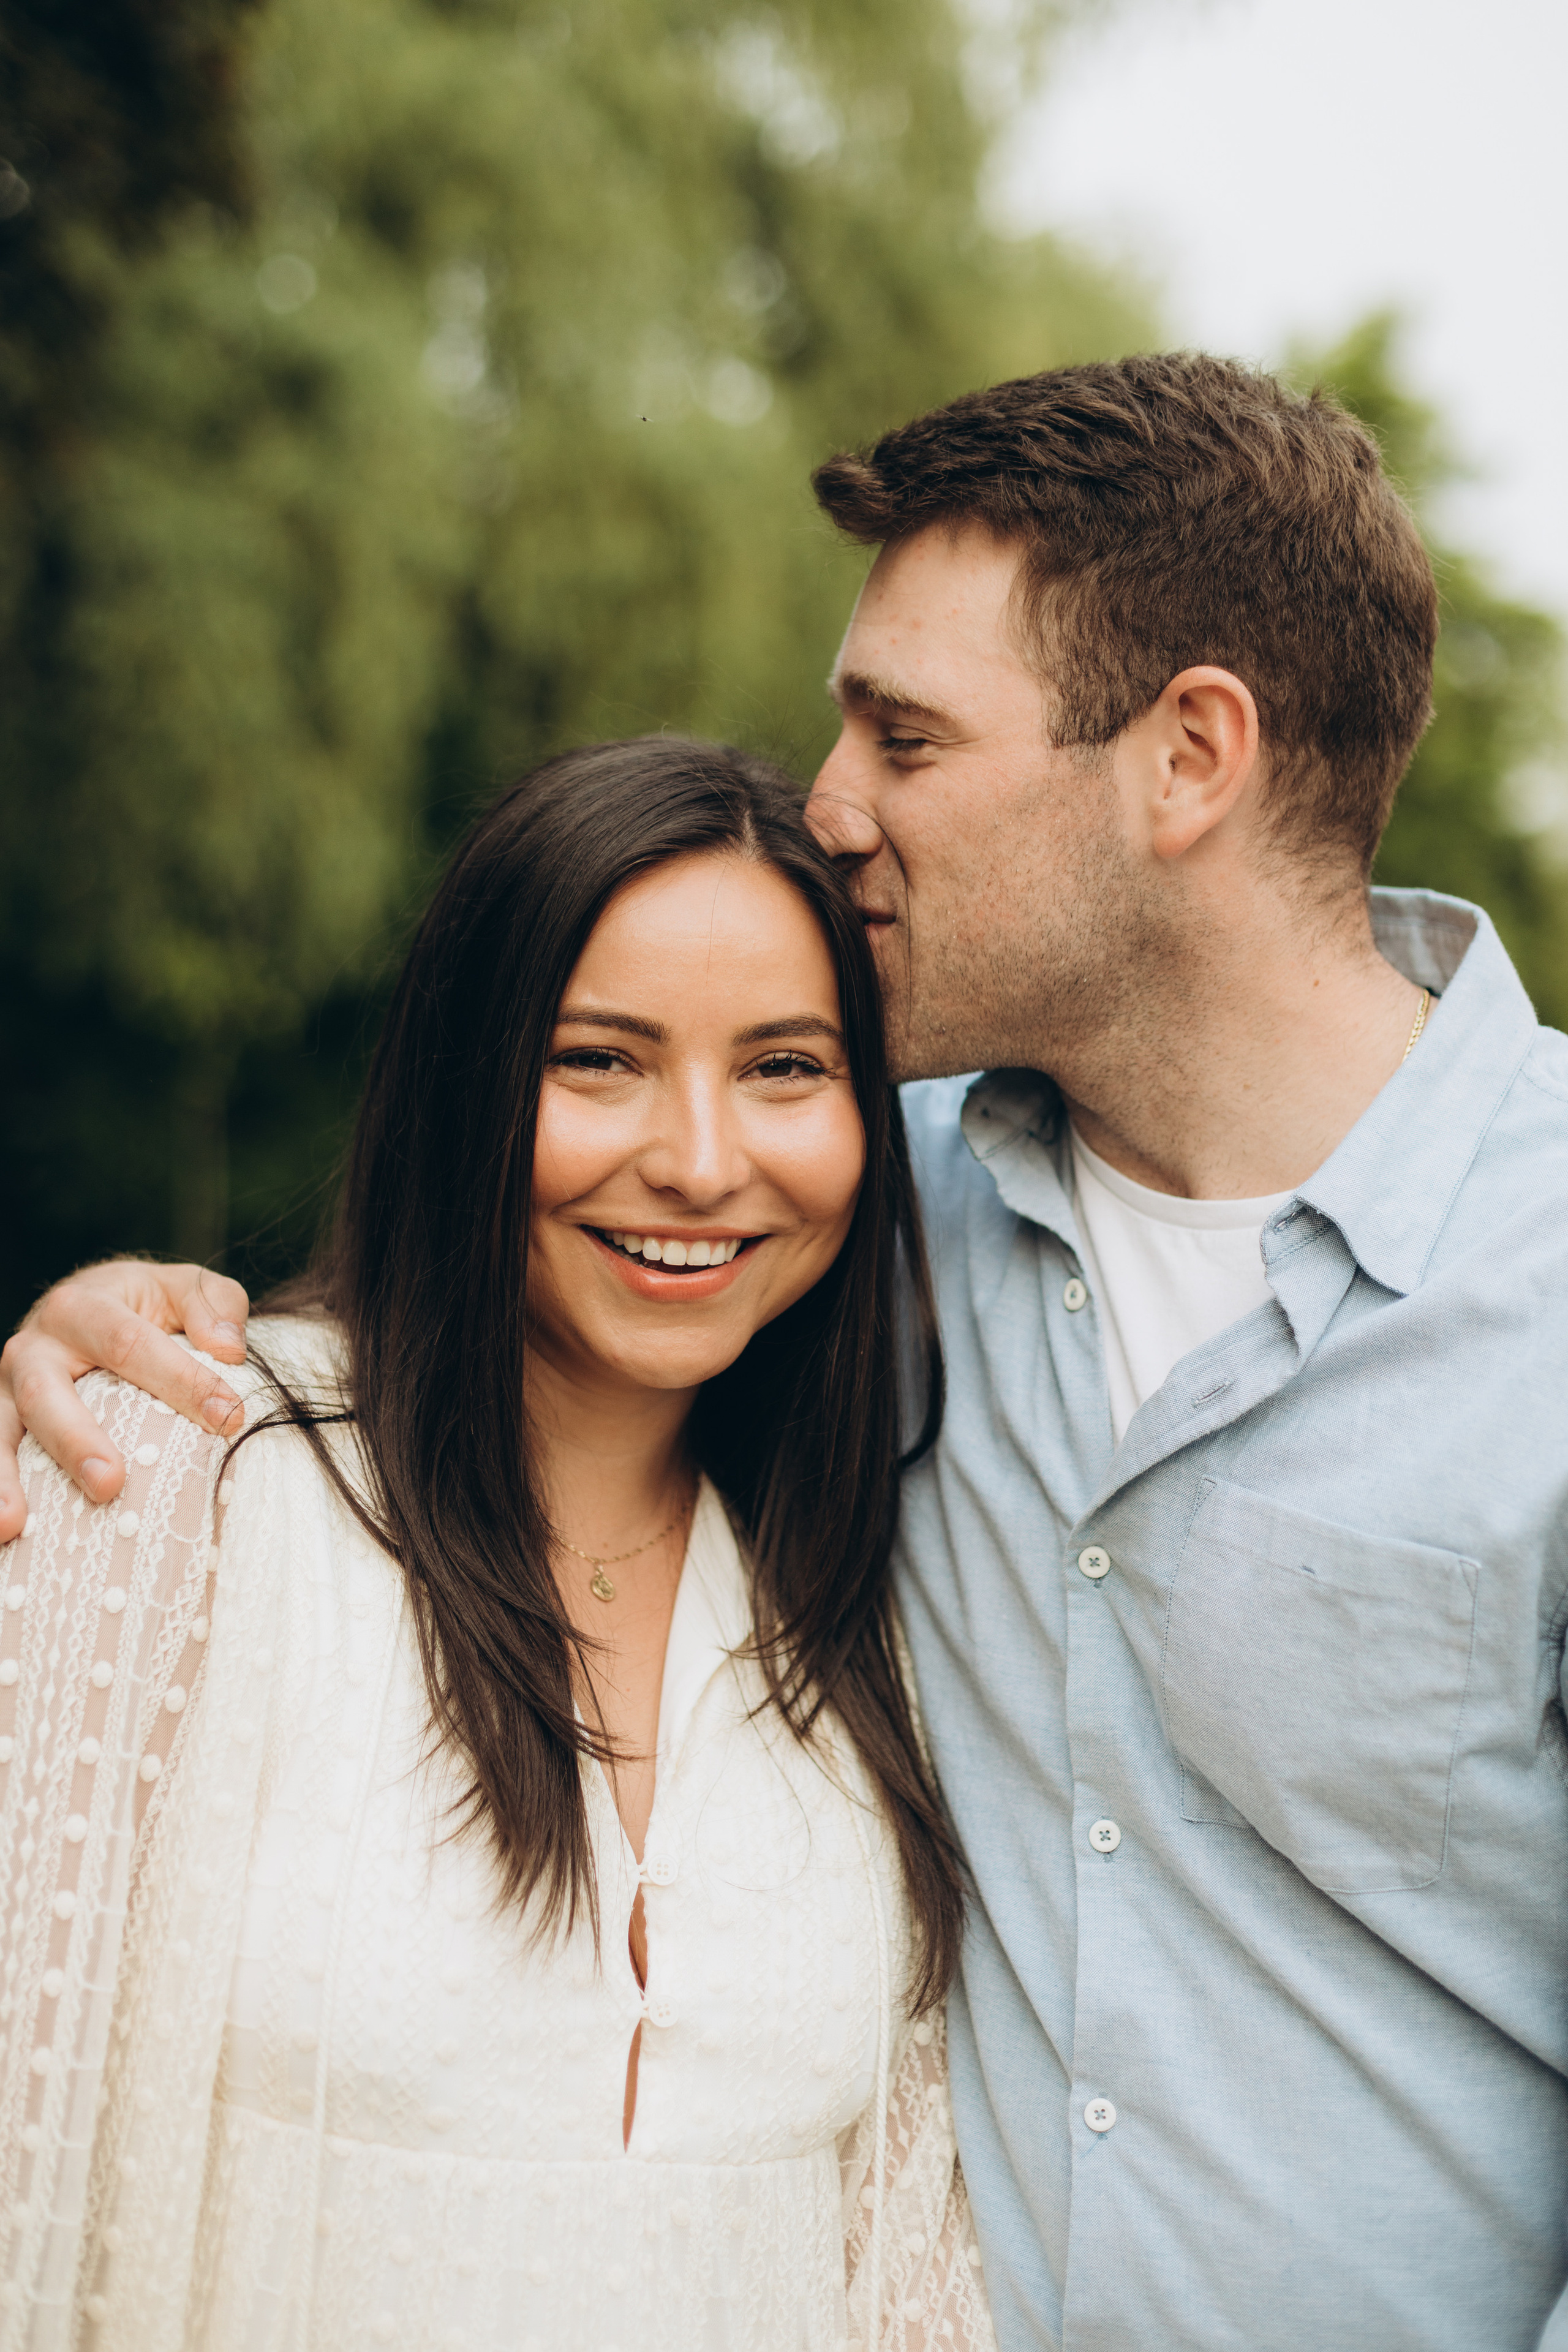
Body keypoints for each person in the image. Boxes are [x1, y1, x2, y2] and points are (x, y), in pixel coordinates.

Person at [7, 351, 1568, 2351]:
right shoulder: (842, 1215)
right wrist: (115, 1328)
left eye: (903, 737)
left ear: (1191, 758)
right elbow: (532, 1255)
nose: (829, 805)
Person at [0, 739, 996, 2351]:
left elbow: (908, 2274)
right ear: (468, 1079)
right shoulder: (175, 1485)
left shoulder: (876, 1596)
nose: (696, 1157)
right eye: (599, 1059)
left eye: (786, 1068)